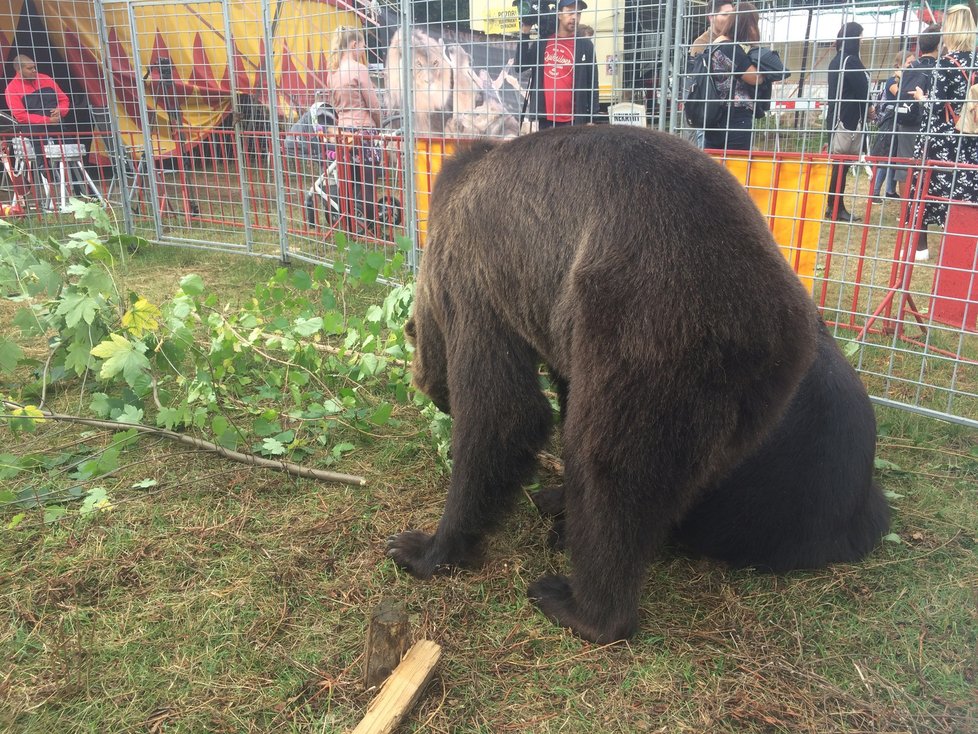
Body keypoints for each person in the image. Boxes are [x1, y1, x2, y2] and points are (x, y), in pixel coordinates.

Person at [907, 5, 977, 262]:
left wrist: (921, 97)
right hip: (969, 138)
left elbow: (935, 105)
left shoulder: (945, 65)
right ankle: (961, 245)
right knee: (963, 192)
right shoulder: (977, 62)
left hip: (940, 138)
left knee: (924, 187)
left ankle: (921, 247)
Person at [328, 26, 383, 229]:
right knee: (367, 183)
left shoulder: (332, 73)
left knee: (347, 183)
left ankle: (350, 225)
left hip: (343, 133)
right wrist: (378, 126)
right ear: (353, 45)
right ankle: (371, 228)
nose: (363, 51)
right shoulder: (359, 69)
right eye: (362, 46)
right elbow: (374, 105)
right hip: (363, 133)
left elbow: (334, 105)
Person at [517, 0, 599, 129]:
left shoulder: (586, 46)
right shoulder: (543, 43)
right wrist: (525, 32)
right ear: (559, 14)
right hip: (546, 119)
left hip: (575, 120)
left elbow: (592, 83)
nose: (574, 17)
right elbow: (520, 66)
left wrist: (593, 118)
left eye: (578, 13)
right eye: (570, 12)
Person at [824, 22, 870, 223]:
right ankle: (836, 208)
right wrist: (870, 108)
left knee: (839, 166)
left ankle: (833, 206)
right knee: (841, 166)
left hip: (836, 116)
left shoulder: (837, 60)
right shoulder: (850, 61)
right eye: (860, 36)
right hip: (848, 119)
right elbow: (863, 90)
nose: (862, 40)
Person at [702, 2, 763, 152]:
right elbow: (755, 78)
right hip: (735, 116)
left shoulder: (714, 44)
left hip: (714, 115)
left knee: (714, 167)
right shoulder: (729, 48)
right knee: (737, 167)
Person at [870, 51, 915, 201]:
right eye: (909, 63)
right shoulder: (892, 81)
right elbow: (901, 95)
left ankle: (890, 190)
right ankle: (874, 192)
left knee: (895, 157)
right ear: (899, 64)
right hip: (890, 123)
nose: (912, 66)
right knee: (885, 157)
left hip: (900, 122)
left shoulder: (908, 80)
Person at [3, 55, 69, 134]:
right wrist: (47, 120)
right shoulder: (12, 89)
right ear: (19, 70)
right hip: (34, 134)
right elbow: (21, 116)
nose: (34, 70)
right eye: (29, 68)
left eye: (34, 67)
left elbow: (64, 100)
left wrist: (60, 110)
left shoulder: (45, 78)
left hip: (59, 128)